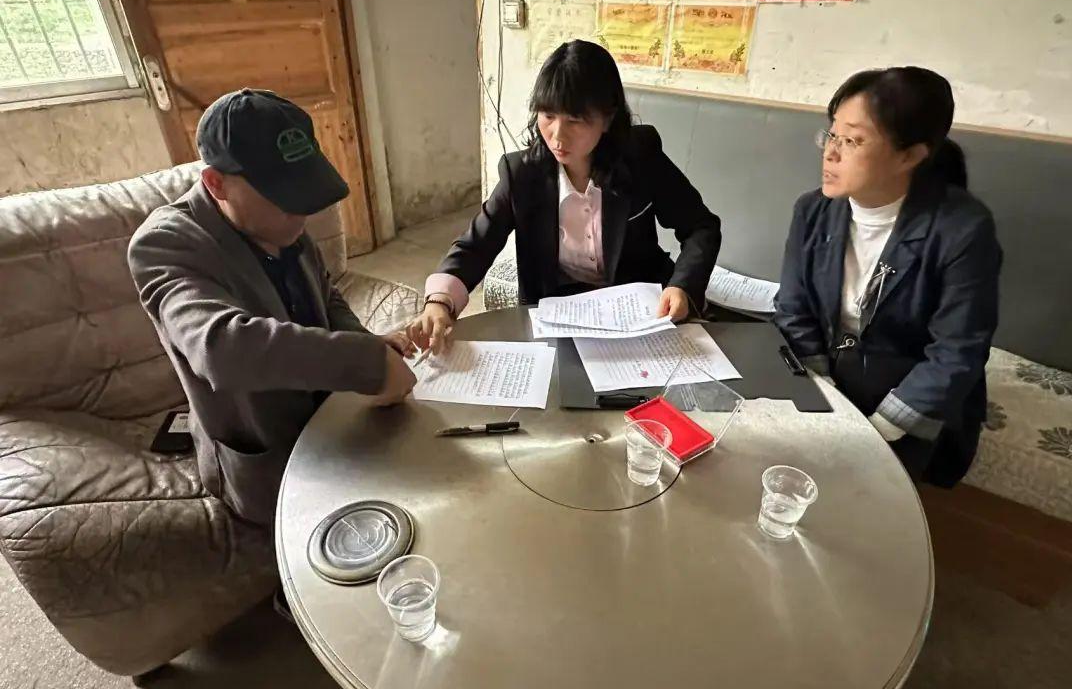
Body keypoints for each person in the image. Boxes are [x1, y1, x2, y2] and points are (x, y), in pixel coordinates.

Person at [129, 89, 416, 527]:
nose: (300, 211)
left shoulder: (278, 221)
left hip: (337, 423)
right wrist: (365, 363)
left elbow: (325, 294)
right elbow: (221, 349)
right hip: (269, 463)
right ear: (216, 183)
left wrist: (366, 343)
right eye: (281, 195)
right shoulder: (164, 245)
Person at [407, 40, 722, 353]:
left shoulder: (640, 157)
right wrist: (439, 302)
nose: (557, 135)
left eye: (575, 120)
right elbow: (476, 245)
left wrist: (682, 286)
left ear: (607, 119)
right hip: (559, 315)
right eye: (547, 115)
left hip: (640, 313)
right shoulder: (522, 175)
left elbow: (701, 227)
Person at [774, 67, 1002, 486]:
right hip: (829, 378)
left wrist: (875, 432)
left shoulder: (962, 230)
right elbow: (793, 307)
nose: (831, 153)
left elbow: (956, 351)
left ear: (909, 156)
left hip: (908, 400)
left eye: (852, 141)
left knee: (856, 495)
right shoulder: (812, 210)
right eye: (831, 134)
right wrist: (823, 394)